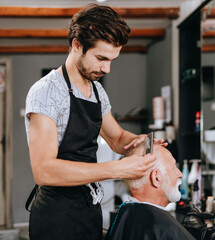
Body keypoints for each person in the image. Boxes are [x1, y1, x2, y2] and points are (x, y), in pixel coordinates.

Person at [24, 4, 165, 240]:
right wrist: (115, 170)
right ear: (77, 45)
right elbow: (44, 171)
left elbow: (117, 138)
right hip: (56, 218)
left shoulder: (96, 91)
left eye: (112, 60)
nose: (107, 68)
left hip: (89, 210)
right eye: (101, 58)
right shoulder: (46, 92)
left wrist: (140, 141)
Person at [105, 143, 195, 240]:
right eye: (173, 167)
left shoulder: (125, 212)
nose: (180, 174)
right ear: (156, 178)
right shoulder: (164, 227)